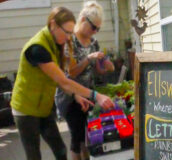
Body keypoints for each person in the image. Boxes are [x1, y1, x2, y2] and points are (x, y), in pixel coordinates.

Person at [10, 6, 114, 160]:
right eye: (66, 32)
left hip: (44, 107)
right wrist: (96, 95)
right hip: (26, 110)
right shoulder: (37, 48)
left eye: (71, 33)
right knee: (34, 155)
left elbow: (56, 79)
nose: (68, 38)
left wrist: (77, 96)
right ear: (53, 24)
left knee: (60, 149)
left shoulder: (55, 43)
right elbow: (64, 81)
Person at [55, 1, 114, 160]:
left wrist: (106, 66)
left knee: (87, 136)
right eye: (93, 27)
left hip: (87, 93)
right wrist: (88, 58)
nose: (95, 32)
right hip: (69, 95)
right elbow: (71, 72)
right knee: (77, 137)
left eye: (98, 28)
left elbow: (97, 70)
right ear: (82, 20)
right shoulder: (69, 41)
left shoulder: (93, 43)